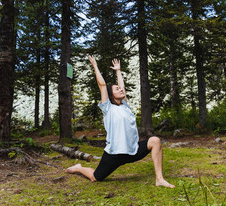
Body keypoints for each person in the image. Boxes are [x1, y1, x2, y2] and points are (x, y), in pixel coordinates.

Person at [65, 55, 175, 188]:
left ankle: (159, 179)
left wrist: (118, 71)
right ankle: (79, 167)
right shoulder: (108, 108)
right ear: (111, 95)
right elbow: (102, 85)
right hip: (114, 154)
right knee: (95, 177)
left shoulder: (125, 106)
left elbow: (122, 86)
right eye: (117, 89)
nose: (121, 89)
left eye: (120, 88)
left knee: (155, 141)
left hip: (132, 151)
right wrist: (95, 66)